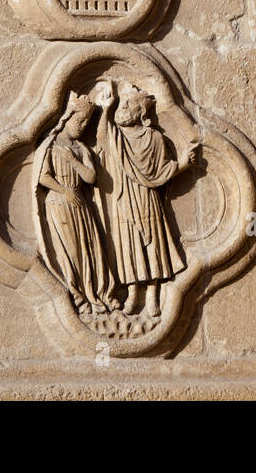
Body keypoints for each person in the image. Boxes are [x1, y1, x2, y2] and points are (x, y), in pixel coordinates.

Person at [92, 81, 193, 318]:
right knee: (128, 245)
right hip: (123, 199)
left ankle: (152, 294)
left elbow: (161, 171)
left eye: (129, 104)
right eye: (122, 104)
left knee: (152, 244)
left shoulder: (154, 138)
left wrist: (183, 165)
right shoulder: (116, 135)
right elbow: (102, 136)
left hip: (147, 199)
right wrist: (106, 108)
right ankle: (132, 292)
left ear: (142, 113)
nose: (123, 108)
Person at [34, 93, 114, 315]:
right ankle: (77, 295)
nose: (83, 126)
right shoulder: (51, 146)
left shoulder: (81, 149)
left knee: (90, 248)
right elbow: (43, 177)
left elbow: (90, 177)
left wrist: (72, 160)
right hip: (60, 203)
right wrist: (64, 191)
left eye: (87, 122)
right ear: (67, 118)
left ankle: (96, 293)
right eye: (79, 121)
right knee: (71, 252)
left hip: (80, 202)